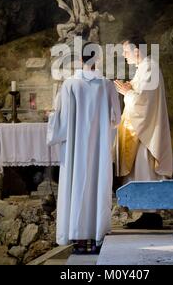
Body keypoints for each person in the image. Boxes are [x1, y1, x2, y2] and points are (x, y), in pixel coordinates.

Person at [51, 42, 121, 254]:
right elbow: (116, 118)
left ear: (80, 60)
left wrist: (53, 121)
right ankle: (97, 238)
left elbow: (60, 120)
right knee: (97, 187)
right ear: (98, 60)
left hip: (76, 149)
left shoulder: (70, 84)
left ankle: (79, 242)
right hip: (98, 148)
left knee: (76, 186)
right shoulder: (107, 84)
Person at [114, 35, 173, 228]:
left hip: (146, 134)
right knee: (140, 172)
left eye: (126, 51)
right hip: (141, 131)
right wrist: (130, 89)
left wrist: (127, 92)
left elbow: (144, 102)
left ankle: (151, 215)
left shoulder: (150, 67)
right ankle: (146, 214)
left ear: (136, 50)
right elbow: (140, 96)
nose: (124, 55)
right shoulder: (143, 69)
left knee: (145, 171)